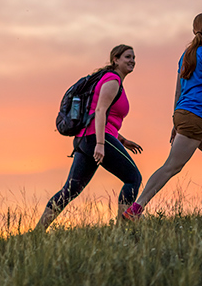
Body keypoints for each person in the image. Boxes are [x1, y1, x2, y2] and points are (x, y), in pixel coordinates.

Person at [123, 12, 202, 219]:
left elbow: (178, 91)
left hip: (188, 116)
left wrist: (176, 121)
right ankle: (135, 209)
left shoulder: (187, 55)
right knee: (172, 166)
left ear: (195, 30)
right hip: (195, 116)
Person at [36, 44, 143, 231]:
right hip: (95, 139)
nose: (132, 60)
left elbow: (101, 116)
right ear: (115, 60)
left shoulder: (109, 79)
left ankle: (37, 232)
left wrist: (122, 140)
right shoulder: (113, 80)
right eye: (127, 57)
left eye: (133, 57)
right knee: (133, 178)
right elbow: (100, 111)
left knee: (70, 190)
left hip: (85, 139)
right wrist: (101, 144)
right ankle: (122, 231)